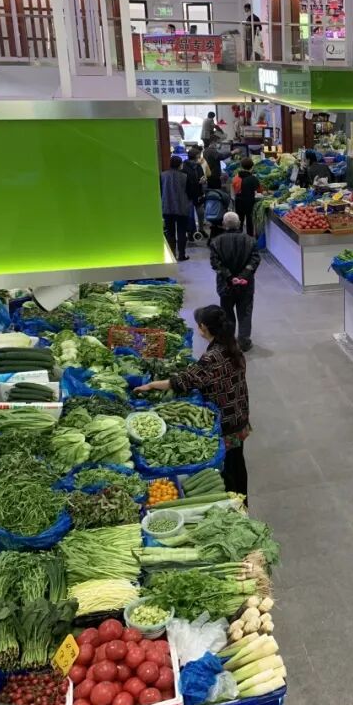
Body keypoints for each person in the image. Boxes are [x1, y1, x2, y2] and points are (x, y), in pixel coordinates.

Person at [134, 306, 251, 497]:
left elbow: (184, 381)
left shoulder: (212, 357)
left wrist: (152, 385)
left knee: (230, 468)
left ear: (203, 327)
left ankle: (237, 500)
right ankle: (242, 497)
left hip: (227, 421)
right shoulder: (232, 345)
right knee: (237, 462)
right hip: (239, 413)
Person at [211, 212, 260, 351]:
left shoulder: (216, 242)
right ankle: (244, 342)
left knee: (227, 314)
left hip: (225, 285)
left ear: (224, 224)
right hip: (246, 285)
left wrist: (230, 277)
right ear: (239, 224)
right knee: (245, 313)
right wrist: (243, 276)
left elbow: (215, 263)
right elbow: (255, 260)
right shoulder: (250, 240)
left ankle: (229, 342)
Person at [160, 156, 192, 261]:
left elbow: (160, 191)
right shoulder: (185, 176)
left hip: (167, 207)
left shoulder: (162, 175)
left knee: (170, 233)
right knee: (182, 232)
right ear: (179, 165)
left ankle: (172, 255)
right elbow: (189, 192)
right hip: (182, 207)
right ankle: (182, 255)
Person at [234, 157, 258, 237]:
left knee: (239, 220)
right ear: (252, 167)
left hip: (238, 201)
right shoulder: (253, 178)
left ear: (241, 166)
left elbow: (235, 189)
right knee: (249, 221)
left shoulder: (236, 177)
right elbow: (258, 189)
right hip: (249, 202)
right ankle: (249, 238)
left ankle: (238, 237)